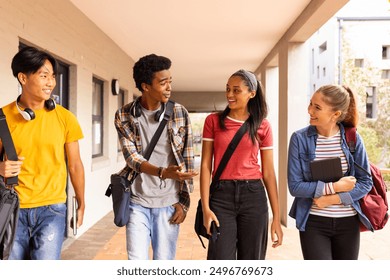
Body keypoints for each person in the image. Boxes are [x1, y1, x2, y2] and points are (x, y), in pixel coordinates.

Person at [0, 46, 85, 260]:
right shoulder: (2, 118)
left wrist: (81, 201)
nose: (51, 83)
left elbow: (75, 164)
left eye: (53, 77)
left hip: (52, 209)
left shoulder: (65, 118)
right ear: (23, 78)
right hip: (12, 208)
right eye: (44, 75)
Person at [114, 54, 198, 260]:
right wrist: (162, 172)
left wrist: (184, 203)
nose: (169, 87)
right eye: (163, 83)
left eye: (170, 81)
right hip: (137, 202)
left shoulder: (179, 113)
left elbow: (187, 161)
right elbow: (132, 158)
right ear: (145, 86)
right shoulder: (124, 115)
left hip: (168, 204)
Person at [199, 69, 283, 260]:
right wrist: (206, 208)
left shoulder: (263, 125)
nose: (229, 94)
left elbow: (268, 172)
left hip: (254, 196)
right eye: (228, 89)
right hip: (221, 197)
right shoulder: (213, 121)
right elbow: (205, 166)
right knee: (220, 260)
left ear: (251, 93)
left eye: (236, 90)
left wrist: (276, 217)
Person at [287, 84, 373, 260]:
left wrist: (333, 199)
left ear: (335, 114)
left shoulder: (353, 139)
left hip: (348, 222)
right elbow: (295, 187)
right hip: (313, 222)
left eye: (317, 107)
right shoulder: (299, 139)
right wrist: (335, 186)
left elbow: (365, 182)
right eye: (310, 104)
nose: (310, 110)